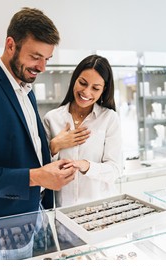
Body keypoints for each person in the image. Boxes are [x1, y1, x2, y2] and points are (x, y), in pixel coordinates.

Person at [0, 7, 77, 259]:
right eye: (35, 56)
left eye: (47, 59)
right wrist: (36, 176)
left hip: (33, 217)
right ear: (10, 45)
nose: (41, 67)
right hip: (0, 231)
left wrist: (50, 155)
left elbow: (19, 147)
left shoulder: (26, 87)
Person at [43, 54, 122, 207]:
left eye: (95, 88)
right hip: (64, 211)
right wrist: (54, 146)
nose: (86, 92)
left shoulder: (109, 119)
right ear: (75, 80)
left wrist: (86, 165)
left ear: (103, 90)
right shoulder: (51, 119)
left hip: (101, 211)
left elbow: (115, 170)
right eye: (83, 83)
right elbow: (42, 171)